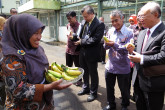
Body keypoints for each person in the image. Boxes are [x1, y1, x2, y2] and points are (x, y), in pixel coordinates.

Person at [0, 14, 71, 110]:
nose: (39, 37)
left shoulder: (37, 49)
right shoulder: (11, 58)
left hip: (45, 104)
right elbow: (19, 91)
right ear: (22, 32)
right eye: (35, 33)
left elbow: (41, 68)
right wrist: (49, 87)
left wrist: (57, 71)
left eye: (40, 32)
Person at [127, 2, 165, 110]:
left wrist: (142, 58)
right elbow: (140, 50)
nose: (140, 19)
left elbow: (163, 56)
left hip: (154, 82)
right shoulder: (143, 32)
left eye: (143, 16)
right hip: (138, 79)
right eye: (139, 16)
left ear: (156, 15)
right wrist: (132, 49)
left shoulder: (163, 32)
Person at [102, 10, 133, 110]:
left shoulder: (129, 33)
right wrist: (106, 44)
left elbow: (127, 50)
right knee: (109, 88)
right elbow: (105, 47)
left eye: (116, 20)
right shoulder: (110, 31)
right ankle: (111, 104)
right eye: (112, 21)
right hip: (110, 66)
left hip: (123, 67)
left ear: (122, 18)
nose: (114, 23)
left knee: (124, 89)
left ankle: (124, 105)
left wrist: (114, 45)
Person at [75, 5, 105, 102]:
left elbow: (96, 39)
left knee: (93, 73)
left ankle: (93, 92)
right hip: (82, 50)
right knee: (84, 71)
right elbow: (81, 34)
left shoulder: (99, 24)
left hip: (92, 52)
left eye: (86, 16)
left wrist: (81, 42)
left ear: (92, 14)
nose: (84, 18)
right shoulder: (84, 22)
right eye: (83, 16)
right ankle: (85, 87)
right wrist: (74, 37)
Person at [66, 11, 82, 86]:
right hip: (68, 49)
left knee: (77, 66)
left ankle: (79, 80)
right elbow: (68, 34)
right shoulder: (68, 25)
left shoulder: (80, 26)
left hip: (76, 49)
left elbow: (80, 37)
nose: (69, 20)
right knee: (68, 65)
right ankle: (70, 78)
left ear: (75, 17)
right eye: (68, 19)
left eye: (70, 18)